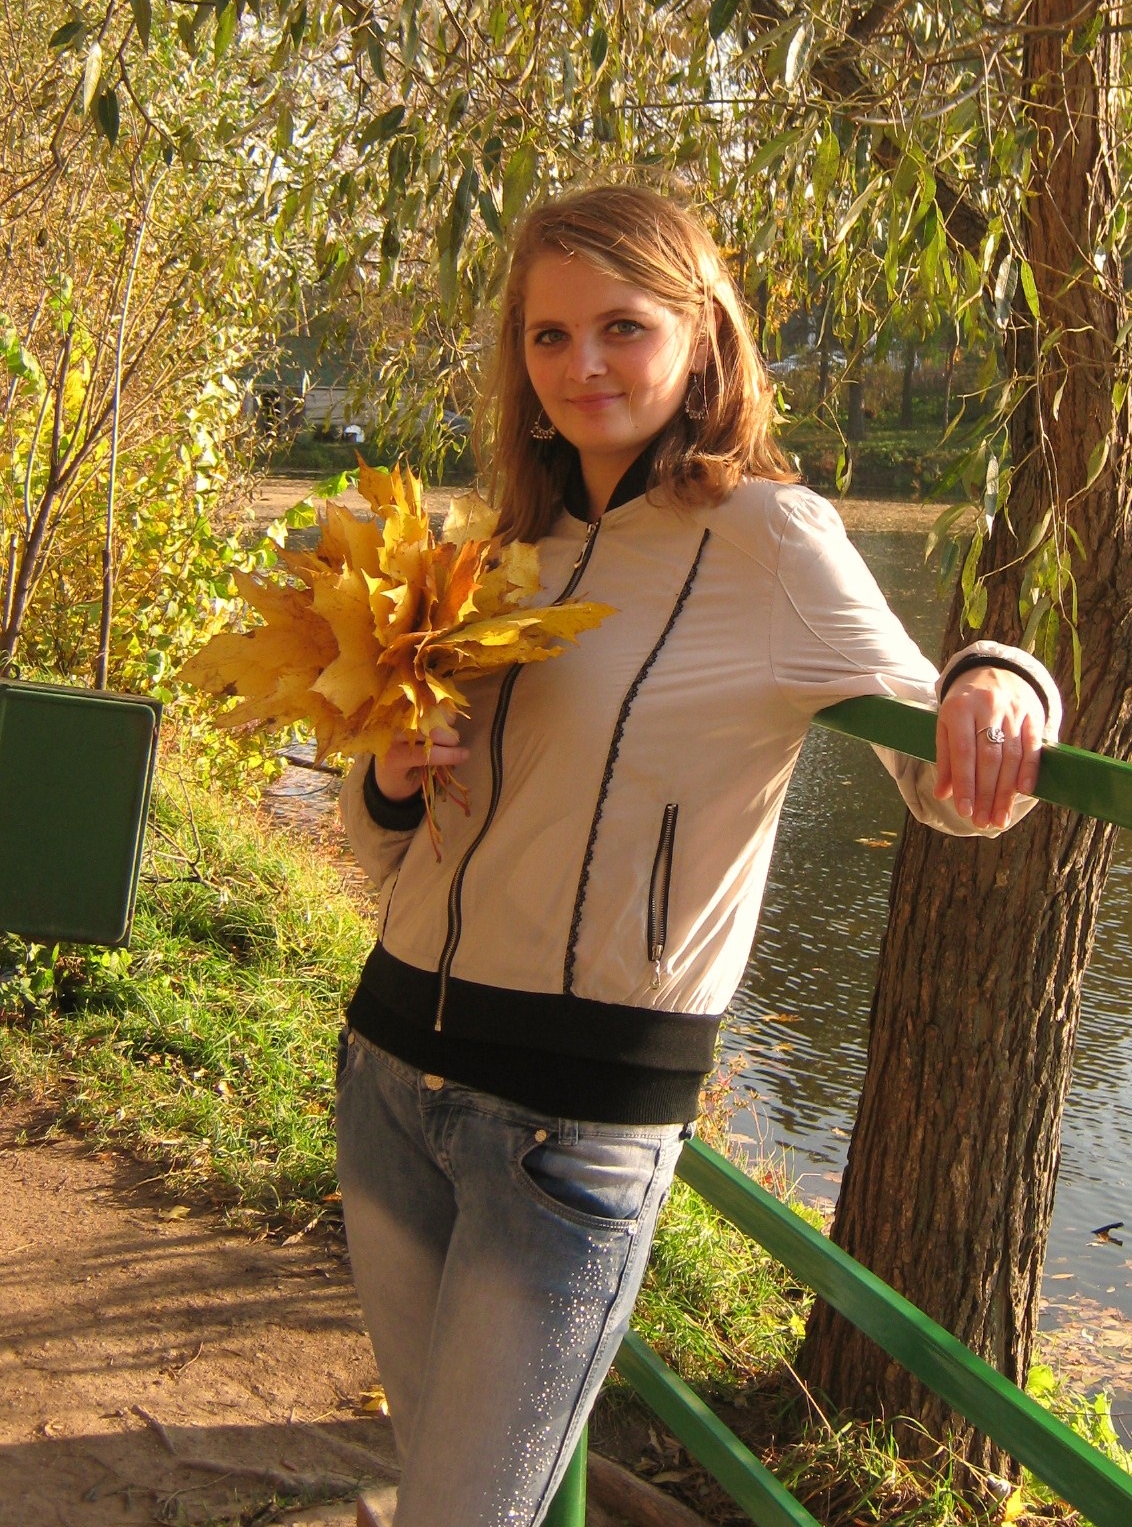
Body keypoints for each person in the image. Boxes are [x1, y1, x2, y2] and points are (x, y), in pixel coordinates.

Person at [336, 184, 1061, 1527]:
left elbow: (950, 785)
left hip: (567, 1133)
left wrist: (1001, 677)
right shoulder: (503, 552)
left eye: (623, 326)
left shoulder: (772, 539)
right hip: (388, 1078)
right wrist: (385, 779)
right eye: (550, 335)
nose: (585, 365)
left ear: (702, 338)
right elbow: (384, 853)